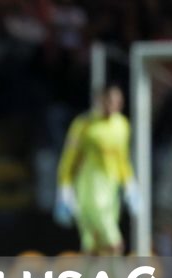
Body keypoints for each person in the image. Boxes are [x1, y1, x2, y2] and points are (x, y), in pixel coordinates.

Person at [54, 85, 139, 255]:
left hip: (110, 191)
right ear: (101, 100)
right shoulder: (83, 125)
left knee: (93, 247)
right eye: (110, 101)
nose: (114, 106)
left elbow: (122, 159)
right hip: (89, 191)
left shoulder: (122, 125)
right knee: (115, 244)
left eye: (118, 102)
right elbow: (69, 157)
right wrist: (64, 187)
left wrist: (130, 183)